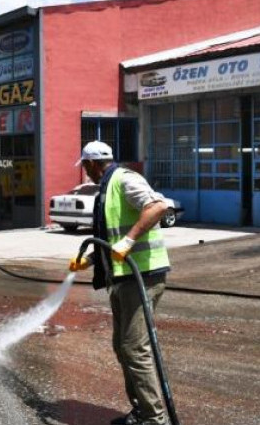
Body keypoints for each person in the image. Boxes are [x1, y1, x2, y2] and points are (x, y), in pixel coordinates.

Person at [68, 141, 171, 425]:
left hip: (143, 275)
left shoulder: (125, 179)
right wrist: (89, 260)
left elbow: (157, 206)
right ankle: (141, 410)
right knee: (122, 345)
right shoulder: (107, 187)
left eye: (85, 167)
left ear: (91, 164)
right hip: (121, 276)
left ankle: (154, 418)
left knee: (134, 347)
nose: (85, 173)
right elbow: (110, 236)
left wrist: (128, 241)